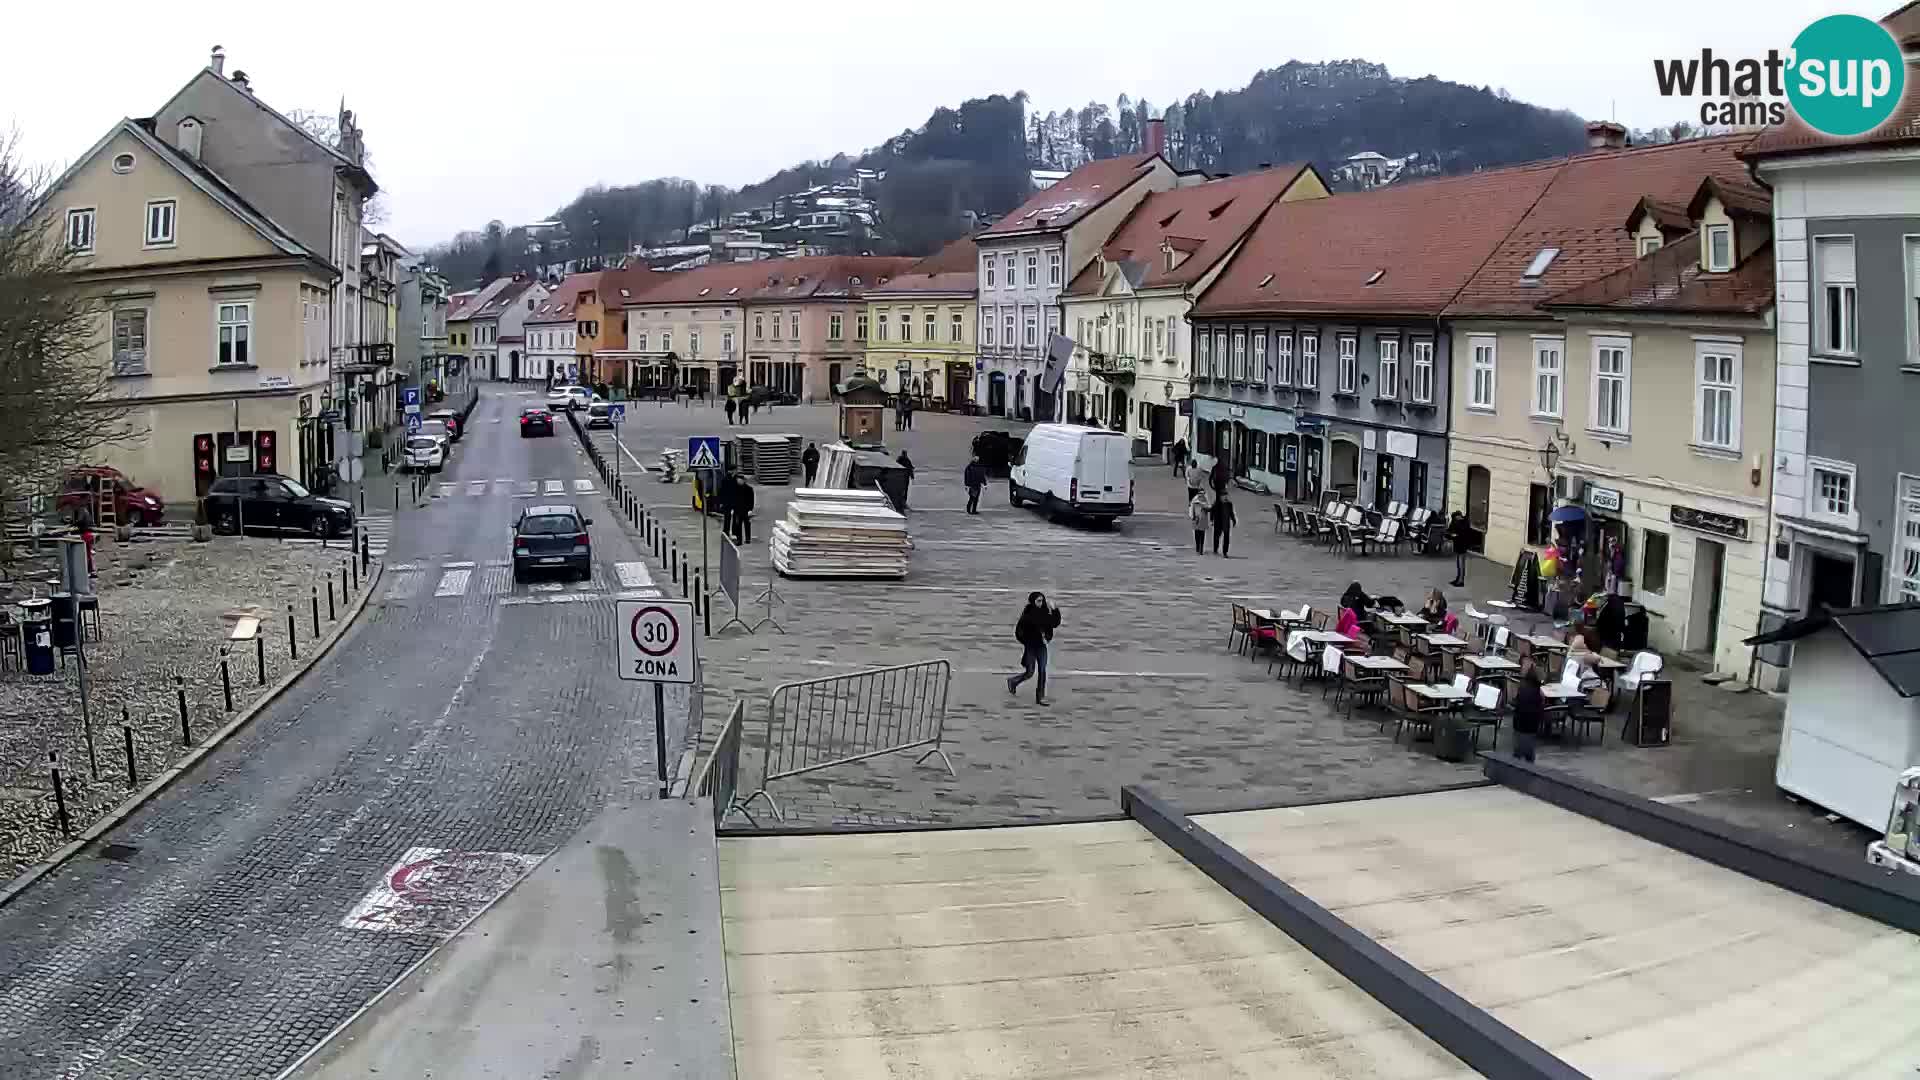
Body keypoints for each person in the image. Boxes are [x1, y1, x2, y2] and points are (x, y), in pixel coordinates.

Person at [1008, 591, 1061, 705]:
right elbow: (1018, 632)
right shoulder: (1027, 616)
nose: (1041, 603)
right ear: (1033, 601)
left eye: (1042, 600)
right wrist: (1027, 642)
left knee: (1042, 670)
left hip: (1042, 646)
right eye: (1038, 601)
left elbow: (1055, 623)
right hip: (1031, 647)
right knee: (1030, 672)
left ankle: (1040, 697)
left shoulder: (1045, 613)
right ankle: (1013, 681)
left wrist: (1055, 610)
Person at [1511, 668, 1545, 762]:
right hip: (1530, 725)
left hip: (1519, 723)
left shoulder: (1522, 688)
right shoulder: (1536, 693)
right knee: (1528, 752)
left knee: (1519, 749)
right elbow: (1540, 708)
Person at [1446, 511, 1473, 588]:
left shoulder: (1463, 522)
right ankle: (1458, 579)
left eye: (1456, 517)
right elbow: (1449, 531)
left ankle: (1461, 581)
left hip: (1462, 546)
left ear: (1459, 516)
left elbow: (1463, 533)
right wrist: (1451, 534)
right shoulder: (1457, 522)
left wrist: (1454, 535)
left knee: (1461, 564)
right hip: (1458, 545)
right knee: (1459, 563)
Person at [1210, 492, 1237, 556]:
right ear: (1220, 497)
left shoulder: (1229, 504)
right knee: (1216, 537)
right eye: (1223, 496)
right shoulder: (1216, 504)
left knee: (1226, 538)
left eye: (1226, 496)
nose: (1225, 497)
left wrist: (1234, 520)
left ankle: (1225, 552)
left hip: (1226, 523)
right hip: (1218, 523)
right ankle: (1215, 549)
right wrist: (1211, 520)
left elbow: (1231, 513)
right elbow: (1212, 512)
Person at [732, 476, 756, 544]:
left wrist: (751, 509)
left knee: (747, 525)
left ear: (743, 481)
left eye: (739, 480)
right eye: (737, 480)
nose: (738, 481)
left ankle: (748, 539)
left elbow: (752, 500)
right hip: (738, 510)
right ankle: (739, 540)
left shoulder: (749, 489)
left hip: (746, 510)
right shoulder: (735, 489)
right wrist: (733, 509)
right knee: (738, 525)